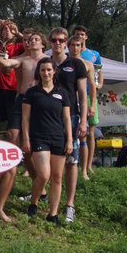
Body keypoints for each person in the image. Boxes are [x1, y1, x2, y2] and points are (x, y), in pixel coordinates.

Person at [0, 32, 47, 187]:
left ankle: (37, 179)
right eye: (30, 39)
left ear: (43, 44)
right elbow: (8, 65)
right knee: (12, 133)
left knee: (33, 143)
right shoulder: (23, 59)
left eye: (36, 39)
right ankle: (11, 168)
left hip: (40, 101)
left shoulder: (48, 61)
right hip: (22, 98)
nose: (32, 41)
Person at [22, 57, 73, 226]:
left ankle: (53, 214)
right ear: (39, 72)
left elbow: (66, 118)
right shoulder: (32, 93)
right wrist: (26, 138)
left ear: (54, 72)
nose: (46, 73)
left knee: (57, 177)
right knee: (44, 175)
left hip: (58, 138)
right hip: (39, 138)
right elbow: (25, 118)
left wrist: (70, 139)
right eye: (43, 70)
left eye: (49, 70)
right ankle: (34, 202)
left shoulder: (62, 93)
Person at [50, 27, 88, 223]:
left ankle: (70, 204)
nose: (57, 43)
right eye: (54, 39)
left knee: (71, 162)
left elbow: (82, 94)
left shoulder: (76, 64)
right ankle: (46, 197)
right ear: (50, 42)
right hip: (49, 117)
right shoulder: (46, 63)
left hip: (71, 116)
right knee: (50, 161)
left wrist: (83, 121)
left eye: (61, 40)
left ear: (66, 42)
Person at [73, 25, 103, 179]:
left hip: (89, 96)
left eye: (82, 35)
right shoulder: (69, 54)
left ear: (86, 37)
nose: (80, 37)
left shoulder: (93, 54)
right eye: (77, 35)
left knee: (90, 131)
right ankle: (75, 165)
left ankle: (89, 165)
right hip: (73, 97)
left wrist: (100, 84)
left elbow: (98, 73)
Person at [68, 34, 96, 180]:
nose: (75, 48)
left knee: (83, 135)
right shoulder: (64, 61)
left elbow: (92, 85)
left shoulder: (88, 64)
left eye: (78, 45)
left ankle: (84, 170)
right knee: (70, 137)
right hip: (69, 101)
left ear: (81, 46)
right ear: (68, 46)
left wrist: (92, 105)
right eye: (72, 45)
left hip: (83, 100)